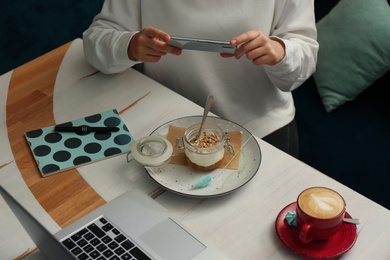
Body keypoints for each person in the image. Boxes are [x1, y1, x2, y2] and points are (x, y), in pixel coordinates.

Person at [83, 0, 318, 158]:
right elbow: (96, 40)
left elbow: (304, 57)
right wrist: (130, 46)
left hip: (260, 132)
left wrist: (281, 51)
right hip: (166, 127)